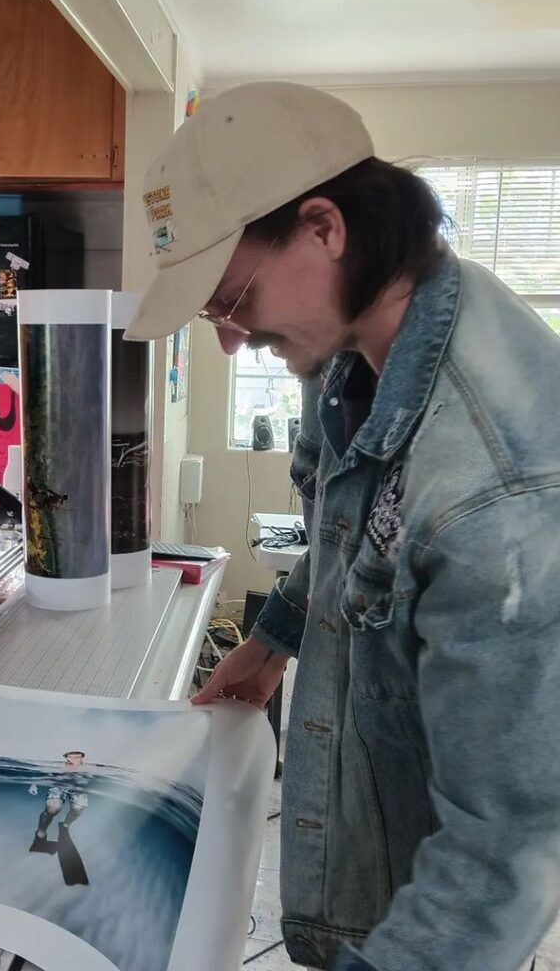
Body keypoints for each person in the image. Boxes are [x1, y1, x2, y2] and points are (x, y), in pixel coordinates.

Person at [126, 82, 560, 971]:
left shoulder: (496, 489)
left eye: (232, 297)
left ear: (324, 227)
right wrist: (271, 640)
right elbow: (346, 532)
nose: (232, 339)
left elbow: (505, 858)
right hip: (365, 870)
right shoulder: (351, 351)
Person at [29, 750, 90, 839]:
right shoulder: (58, 767)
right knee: (53, 808)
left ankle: (65, 826)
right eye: (71, 757)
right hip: (59, 787)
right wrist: (33, 785)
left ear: (82, 758)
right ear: (66, 758)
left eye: (77, 757)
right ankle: (41, 829)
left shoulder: (88, 768)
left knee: (78, 809)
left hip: (78, 789)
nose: (74, 759)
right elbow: (43, 775)